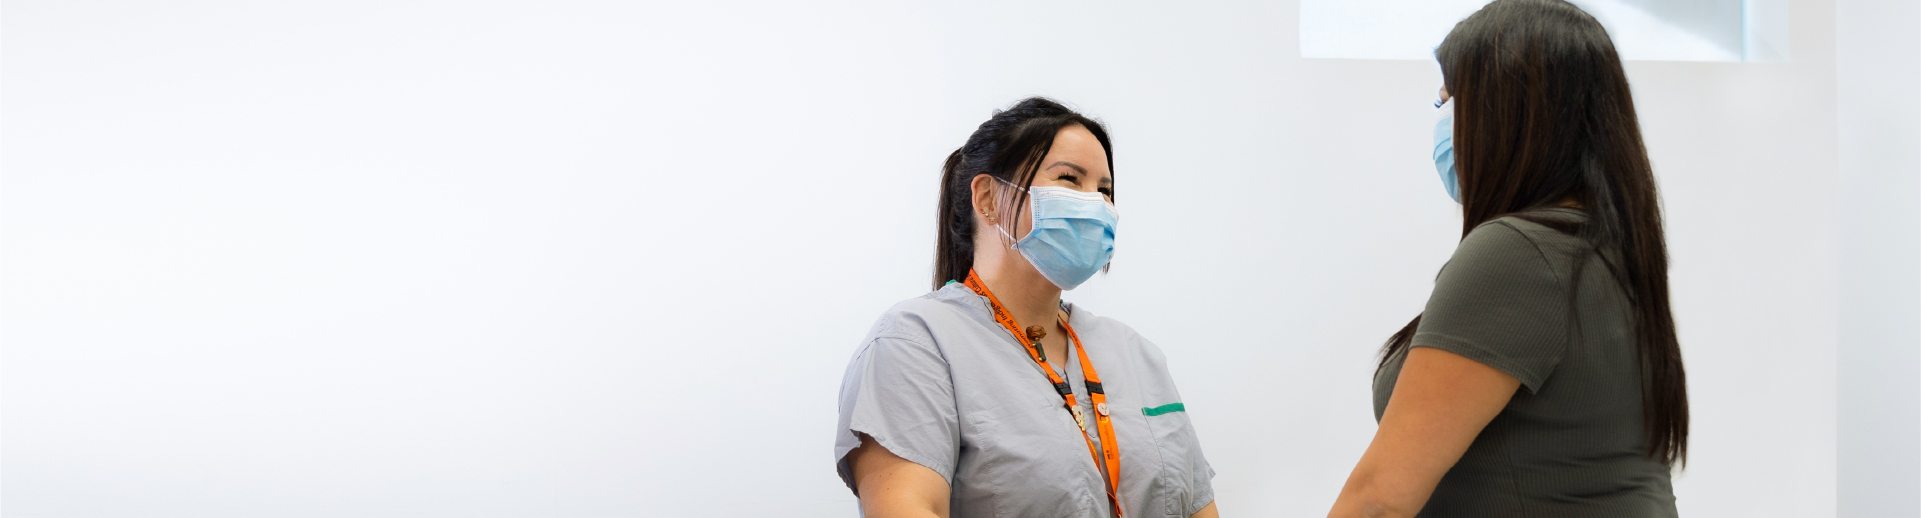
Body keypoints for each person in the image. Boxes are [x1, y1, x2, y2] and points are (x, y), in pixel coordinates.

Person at [1327, 1, 1689, 517]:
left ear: (1509, 113)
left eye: (1448, 100)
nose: (1441, 120)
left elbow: (1378, 501)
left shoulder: (1520, 253)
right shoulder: (1605, 251)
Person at [833, 97, 1218, 518]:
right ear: (988, 199)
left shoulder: (1135, 353)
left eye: (1105, 190)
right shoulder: (916, 343)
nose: (1095, 204)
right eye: (1070, 179)